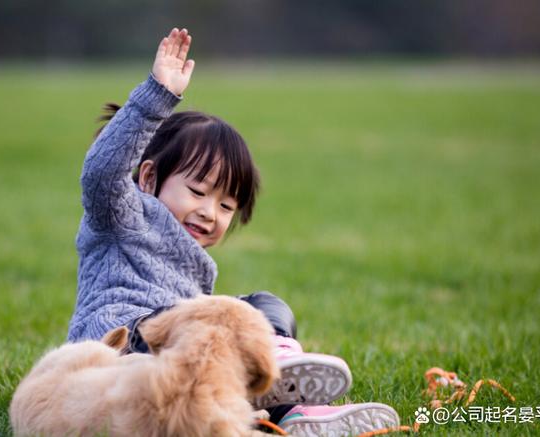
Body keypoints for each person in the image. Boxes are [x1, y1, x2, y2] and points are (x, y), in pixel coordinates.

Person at [66, 27, 399, 435]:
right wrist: (155, 98)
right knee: (223, 318)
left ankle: (287, 410)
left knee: (262, 306)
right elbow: (101, 172)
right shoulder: (122, 215)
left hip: (173, 363)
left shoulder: (195, 268)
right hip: (119, 351)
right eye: (198, 191)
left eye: (226, 205)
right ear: (150, 178)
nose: (210, 212)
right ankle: (262, 373)